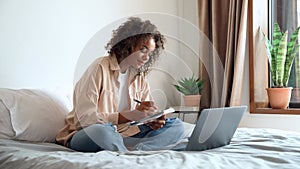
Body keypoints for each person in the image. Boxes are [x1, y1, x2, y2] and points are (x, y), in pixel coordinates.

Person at [55, 17, 186, 152]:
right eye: (143, 50)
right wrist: (128, 115)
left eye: (150, 53)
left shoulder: (139, 76)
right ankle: (127, 150)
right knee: (102, 132)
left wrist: (153, 119)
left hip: (126, 133)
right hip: (88, 133)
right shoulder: (99, 67)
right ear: (127, 44)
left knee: (177, 126)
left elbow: (144, 112)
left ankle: (137, 151)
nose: (147, 57)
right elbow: (84, 119)